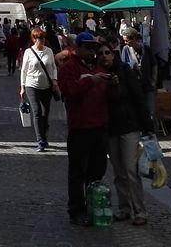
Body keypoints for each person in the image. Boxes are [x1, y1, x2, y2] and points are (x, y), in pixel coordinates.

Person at [58, 31, 115, 226]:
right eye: (88, 48)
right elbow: (70, 91)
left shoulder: (99, 66)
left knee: (97, 171)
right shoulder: (68, 68)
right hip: (80, 126)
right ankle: (76, 210)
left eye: (94, 48)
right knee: (77, 172)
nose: (92, 51)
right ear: (77, 48)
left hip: (100, 125)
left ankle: (94, 206)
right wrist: (91, 80)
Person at [101, 34, 150, 225]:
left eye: (107, 53)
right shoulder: (99, 75)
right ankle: (123, 208)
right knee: (118, 171)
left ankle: (140, 211)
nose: (104, 56)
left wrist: (148, 126)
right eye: (101, 54)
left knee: (130, 170)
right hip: (111, 128)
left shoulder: (125, 71)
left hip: (129, 126)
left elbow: (138, 98)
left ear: (113, 55)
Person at [19, 25, 59, 150]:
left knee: (45, 113)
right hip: (32, 85)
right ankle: (40, 140)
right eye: (39, 38)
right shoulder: (28, 52)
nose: (41, 40)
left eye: (43, 38)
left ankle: (44, 134)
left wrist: (54, 81)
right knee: (37, 112)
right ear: (34, 39)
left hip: (46, 86)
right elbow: (24, 70)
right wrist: (22, 86)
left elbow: (53, 67)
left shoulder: (49, 51)